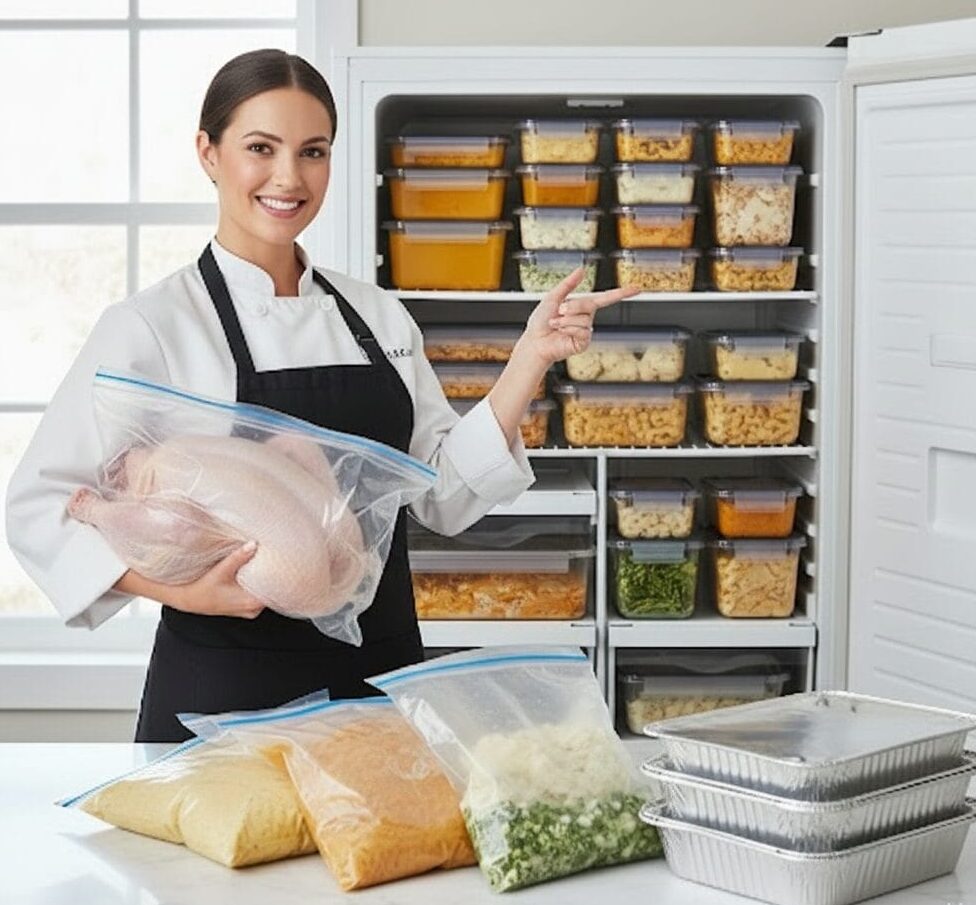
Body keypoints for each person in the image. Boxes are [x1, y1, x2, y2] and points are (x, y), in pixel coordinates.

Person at [5, 49, 636, 742]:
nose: (289, 177)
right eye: (261, 148)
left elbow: (442, 498)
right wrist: (179, 590)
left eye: (313, 151)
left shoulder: (377, 315)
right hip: (225, 699)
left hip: (379, 683)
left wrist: (529, 358)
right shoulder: (153, 325)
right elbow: (39, 507)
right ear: (208, 153)